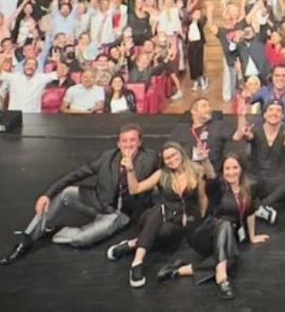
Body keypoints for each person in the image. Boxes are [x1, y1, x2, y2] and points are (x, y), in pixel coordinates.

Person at [1, 123, 158, 265]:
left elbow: (162, 178)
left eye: (132, 140)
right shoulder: (108, 157)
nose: (128, 145)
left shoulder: (150, 158)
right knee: (67, 192)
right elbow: (75, 174)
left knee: (81, 239)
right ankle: (26, 240)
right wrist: (47, 194)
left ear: (140, 142)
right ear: (118, 144)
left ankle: (57, 232)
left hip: (118, 215)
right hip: (98, 201)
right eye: (124, 141)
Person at [155, 153, 270, 299]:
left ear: (241, 169)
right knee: (224, 224)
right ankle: (222, 278)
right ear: (222, 171)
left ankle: (177, 270)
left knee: (231, 258)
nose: (231, 172)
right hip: (205, 235)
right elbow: (211, 177)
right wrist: (205, 160)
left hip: (229, 237)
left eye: (235, 167)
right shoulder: (218, 188)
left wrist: (252, 236)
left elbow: (250, 211)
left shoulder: (249, 186)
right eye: (227, 168)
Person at [106, 141, 213, 288]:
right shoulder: (161, 174)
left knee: (165, 232)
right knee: (159, 209)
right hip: (155, 216)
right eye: (167, 158)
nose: (171, 159)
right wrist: (130, 171)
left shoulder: (196, 170)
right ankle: (137, 263)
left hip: (178, 221)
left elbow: (202, 197)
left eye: (174, 155)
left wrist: (201, 218)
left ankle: (132, 244)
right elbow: (135, 189)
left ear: (181, 153)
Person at [231, 101, 285, 225]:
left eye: (278, 111)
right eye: (271, 110)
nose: (274, 113)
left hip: (279, 183)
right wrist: (242, 118)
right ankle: (260, 207)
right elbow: (242, 136)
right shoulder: (255, 130)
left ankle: (262, 206)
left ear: (283, 116)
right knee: (245, 179)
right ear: (264, 115)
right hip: (258, 182)